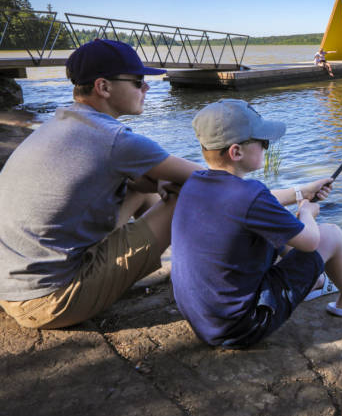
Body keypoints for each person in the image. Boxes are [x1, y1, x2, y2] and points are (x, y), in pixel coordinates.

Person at [0, 39, 202, 329]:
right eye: (137, 81)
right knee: (185, 193)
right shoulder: (116, 140)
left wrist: (154, 180)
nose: (146, 88)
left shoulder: (63, 121)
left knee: (139, 185)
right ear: (103, 87)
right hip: (49, 300)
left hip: (13, 285)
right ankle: (204, 271)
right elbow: (213, 179)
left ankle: (181, 263)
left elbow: (134, 179)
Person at [170, 99, 342, 349]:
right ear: (236, 152)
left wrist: (301, 191)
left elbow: (262, 201)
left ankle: (312, 282)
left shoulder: (197, 181)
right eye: (263, 142)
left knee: (270, 228)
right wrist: (306, 212)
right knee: (331, 235)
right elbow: (311, 241)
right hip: (242, 327)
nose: (266, 147)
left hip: (205, 320)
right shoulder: (250, 196)